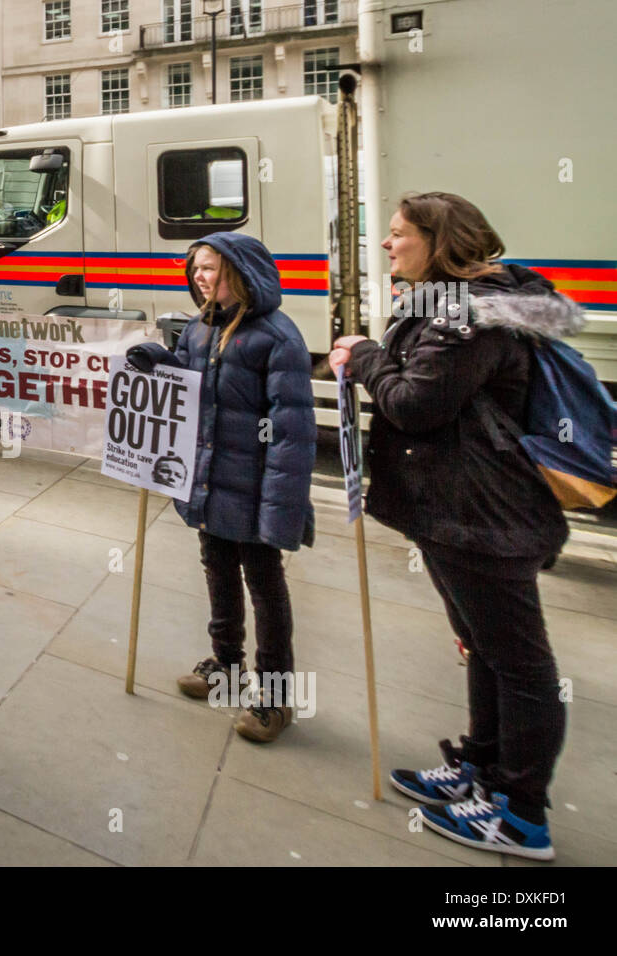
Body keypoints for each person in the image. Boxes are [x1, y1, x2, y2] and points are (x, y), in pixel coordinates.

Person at [330, 191, 580, 861]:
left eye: (397, 234)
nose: (387, 245)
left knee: (522, 665)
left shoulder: (471, 319)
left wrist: (361, 357)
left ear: (438, 242)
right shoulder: (451, 307)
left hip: (480, 515)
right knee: (482, 646)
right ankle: (480, 767)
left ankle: (522, 814)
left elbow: (417, 403)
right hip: (456, 508)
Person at [128, 232, 316, 743]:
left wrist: (281, 513)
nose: (199, 277)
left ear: (240, 272)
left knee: (265, 585)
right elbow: (190, 386)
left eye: (209, 268)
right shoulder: (198, 328)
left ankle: (275, 700)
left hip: (255, 490)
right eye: (195, 269)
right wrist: (157, 359)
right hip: (211, 483)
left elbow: (292, 434)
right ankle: (226, 667)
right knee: (217, 569)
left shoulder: (278, 338)